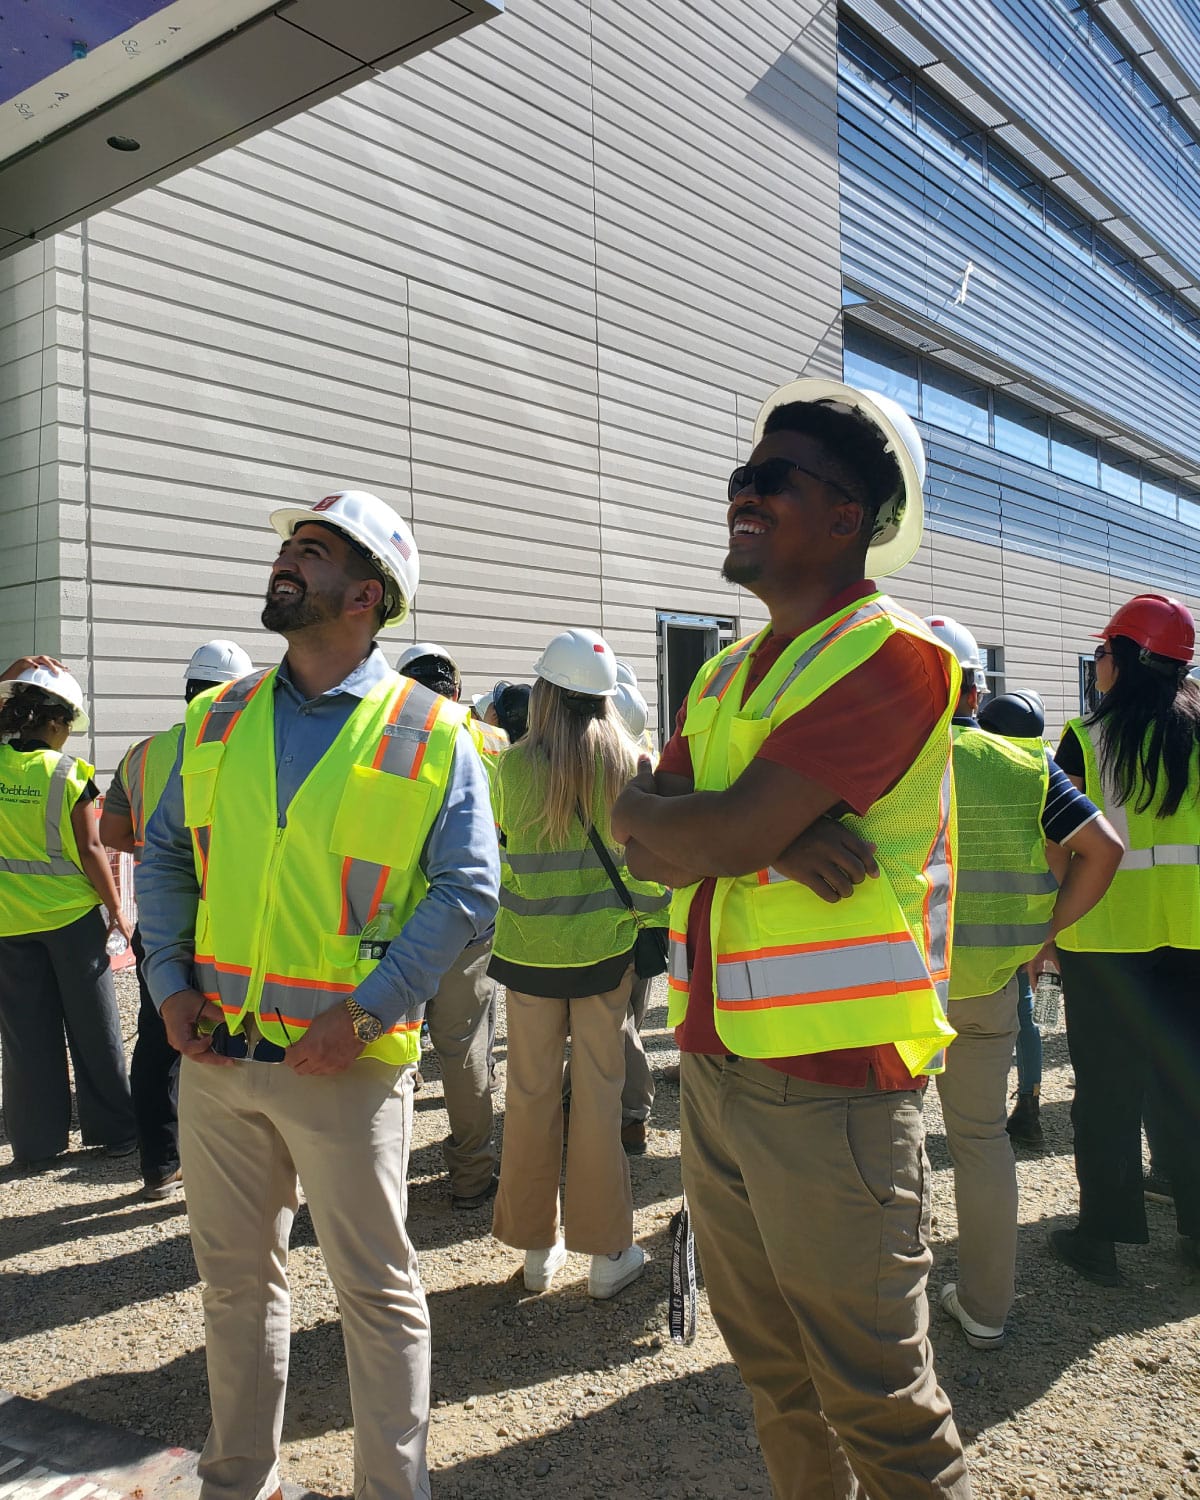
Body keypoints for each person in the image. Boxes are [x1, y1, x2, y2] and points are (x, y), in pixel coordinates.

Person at [613, 377, 972, 1499]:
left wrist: (728, 829)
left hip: (834, 1089)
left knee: (877, 1400)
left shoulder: (891, 654)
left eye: (775, 477)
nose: (743, 491)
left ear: (849, 517)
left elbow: (703, 826)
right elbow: (638, 832)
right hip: (717, 1069)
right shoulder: (725, 674)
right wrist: (756, 835)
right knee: (773, 1374)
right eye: (741, 475)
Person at [137, 490, 499, 1500]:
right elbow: (166, 855)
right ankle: (235, 1481)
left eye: (314, 551)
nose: (287, 561)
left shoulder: (432, 731)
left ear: (366, 596)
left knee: (376, 1297)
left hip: (346, 1067)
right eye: (290, 547)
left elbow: (471, 892)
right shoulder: (218, 718)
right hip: (217, 1062)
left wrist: (372, 1009)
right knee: (235, 1292)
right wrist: (168, 984)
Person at [925, 619, 1121, 1349]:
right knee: (980, 1141)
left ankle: (890, 1305)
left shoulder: (889, 765)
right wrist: (1047, 931)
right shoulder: (1028, 763)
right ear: (977, 689)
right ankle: (985, 1308)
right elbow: (1103, 849)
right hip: (991, 987)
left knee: (895, 1137)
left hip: (903, 988)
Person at [489, 627, 668, 1297]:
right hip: (606, 959)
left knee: (530, 1097)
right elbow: (652, 877)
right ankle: (606, 1257)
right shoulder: (634, 766)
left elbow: (511, 855)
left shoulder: (511, 767)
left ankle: (538, 1253)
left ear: (542, 693)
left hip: (526, 959)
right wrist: (651, 924)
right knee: (598, 1101)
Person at [1050, 593, 1200, 1284]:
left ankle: (1102, 1239)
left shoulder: (1086, 737)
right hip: (1192, 939)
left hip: (1105, 940)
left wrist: (1050, 924)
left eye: (1104, 651)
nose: (1097, 664)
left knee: (1107, 1091)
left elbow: (1062, 844)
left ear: (1132, 659)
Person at [99, 640, 254, 1199]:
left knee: (159, 1038)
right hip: (230, 919)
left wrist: (156, 846)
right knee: (235, 1039)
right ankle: (232, 1173)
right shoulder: (246, 744)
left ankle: (160, 1167)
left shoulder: (143, 755)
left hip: (163, 923)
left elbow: (112, 836)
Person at [0, 665, 136, 1166]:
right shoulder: (68, 773)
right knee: (94, 1029)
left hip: (8, 922)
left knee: (24, 1037)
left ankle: (35, 1145)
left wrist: (12, 676)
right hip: (71, 921)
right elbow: (92, 848)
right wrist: (117, 909)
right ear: (56, 722)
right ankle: (114, 1132)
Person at [395, 640, 502, 1207]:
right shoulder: (490, 742)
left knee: (392, 1052)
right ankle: (471, 1177)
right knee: (463, 1050)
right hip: (467, 924)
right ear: (457, 692)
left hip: (395, 922)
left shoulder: (385, 737)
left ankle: (383, 1179)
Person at [977, 690, 1053, 1149]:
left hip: (982, 921)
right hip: (1037, 920)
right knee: (1035, 1015)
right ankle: (1031, 1107)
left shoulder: (981, 770)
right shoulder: (1046, 771)